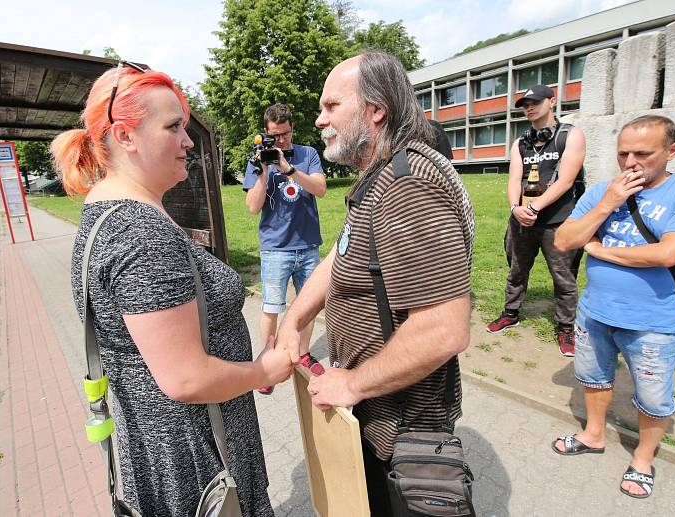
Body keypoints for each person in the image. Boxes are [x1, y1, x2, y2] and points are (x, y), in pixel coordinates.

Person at [50, 63, 292, 516]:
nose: (188, 141)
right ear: (125, 136)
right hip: (200, 459)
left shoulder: (105, 215)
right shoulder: (141, 235)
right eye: (174, 127)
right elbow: (186, 378)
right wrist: (264, 371)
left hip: (161, 449)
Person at [277, 51, 475, 516]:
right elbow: (339, 254)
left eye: (331, 106)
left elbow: (444, 330)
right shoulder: (380, 176)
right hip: (375, 411)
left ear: (375, 109)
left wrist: (354, 384)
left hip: (402, 426)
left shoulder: (408, 185)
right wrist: (295, 319)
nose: (319, 119)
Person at [551, 115, 675, 498]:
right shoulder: (604, 192)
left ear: (671, 152)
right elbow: (564, 240)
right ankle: (593, 435)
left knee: (654, 397)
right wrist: (608, 203)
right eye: (623, 153)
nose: (630, 163)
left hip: (653, 319)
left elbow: (668, 253)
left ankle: (642, 458)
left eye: (643, 153)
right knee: (592, 378)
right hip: (595, 311)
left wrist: (600, 249)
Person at [485, 84, 586, 357]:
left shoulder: (571, 136)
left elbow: (566, 180)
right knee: (517, 271)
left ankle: (566, 327)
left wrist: (535, 209)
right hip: (522, 219)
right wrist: (515, 207)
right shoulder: (521, 142)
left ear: (551, 102)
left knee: (563, 277)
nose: (529, 107)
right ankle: (511, 313)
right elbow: (514, 178)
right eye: (524, 104)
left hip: (559, 220)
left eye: (535, 102)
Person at [243, 103, 327, 394]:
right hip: (275, 247)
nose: (281, 141)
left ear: (292, 129)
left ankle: (302, 353)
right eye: (275, 136)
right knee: (271, 307)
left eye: (286, 134)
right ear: (266, 133)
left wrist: (288, 168)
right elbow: (253, 207)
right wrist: (265, 170)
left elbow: (320, 188)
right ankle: (267, 364)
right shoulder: (258, 162)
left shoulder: (308, 154)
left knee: (310, 307)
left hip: (307, 245)